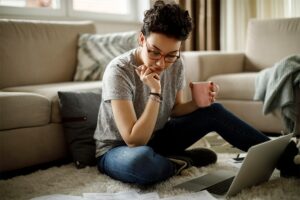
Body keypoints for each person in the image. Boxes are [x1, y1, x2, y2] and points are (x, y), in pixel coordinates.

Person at [94, 0, 269, 185]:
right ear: (142, 39)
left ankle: (286, 156)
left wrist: (197, 103)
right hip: (118, 150)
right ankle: (183, 161)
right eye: (155, 52)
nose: (162, 63)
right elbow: (134, 140)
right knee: (141, 163)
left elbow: (175, 110)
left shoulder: (176, 63)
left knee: (214, 111)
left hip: (158, 139)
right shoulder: (119, 71)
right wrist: (155, 93)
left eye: (171, 55)